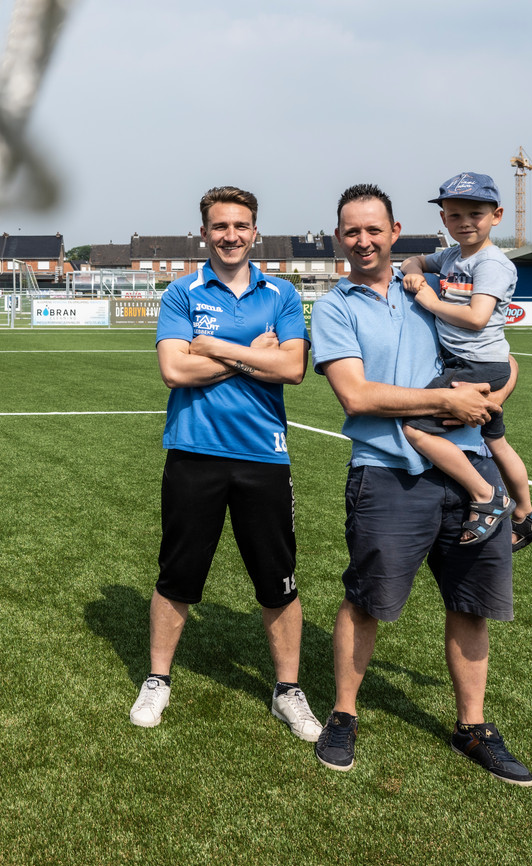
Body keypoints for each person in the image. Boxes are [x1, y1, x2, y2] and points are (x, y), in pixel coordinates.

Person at [308, 183, 532, 785]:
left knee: (472, 603)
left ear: (394, 231)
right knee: (367, 601)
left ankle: (473, 726)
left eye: (374, 230)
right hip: (385, 472)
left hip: (468, 468)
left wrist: (492, 398)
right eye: (351, 231)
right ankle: (344, 713)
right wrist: (443, 399)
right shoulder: (335, 306)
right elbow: (356, 395)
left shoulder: (432, 287)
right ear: (339, 238)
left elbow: (498, 353)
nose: (363, 240)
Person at [128, 185, 319, 742]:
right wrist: (252, 356)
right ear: (204, 233)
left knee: (277, 580)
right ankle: (158, 678)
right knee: (177, 574)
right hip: (194, 452)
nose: (230, 235)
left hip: (264, 455)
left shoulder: (281, 293)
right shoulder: (181, 293)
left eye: (240, 226)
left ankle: (288, 690)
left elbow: (294, 370)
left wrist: (213, 348)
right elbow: (174, 372)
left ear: (255, 231)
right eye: (219, 226)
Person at [399, 172, 532, 550]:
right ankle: (526, 514)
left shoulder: (492, 264)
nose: (464, 222)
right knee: (495, 440)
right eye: (454, 215)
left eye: (475, 213)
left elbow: (477, 317)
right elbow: (412, 259)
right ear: (443, 220)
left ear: (496, 215)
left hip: (475, 365)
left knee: (414, 428)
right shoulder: (451, 256)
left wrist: (429, 301)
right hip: (480, 362)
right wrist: (416, 272)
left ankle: (486, 497)